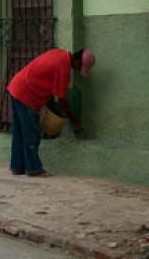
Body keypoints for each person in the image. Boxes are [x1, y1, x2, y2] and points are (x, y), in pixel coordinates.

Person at [7, 48, 96, 177]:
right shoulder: (63, 68)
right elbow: (62, 101)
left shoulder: (60, 53)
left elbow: (47, 83)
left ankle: (17, 166)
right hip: (27, 94)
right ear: (77, 61)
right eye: (80, 67)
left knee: (19, 131)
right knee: (31, 132)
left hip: (16, 87)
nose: (77, 70)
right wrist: (75, 122)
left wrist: (50, 107)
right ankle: (33, 169)